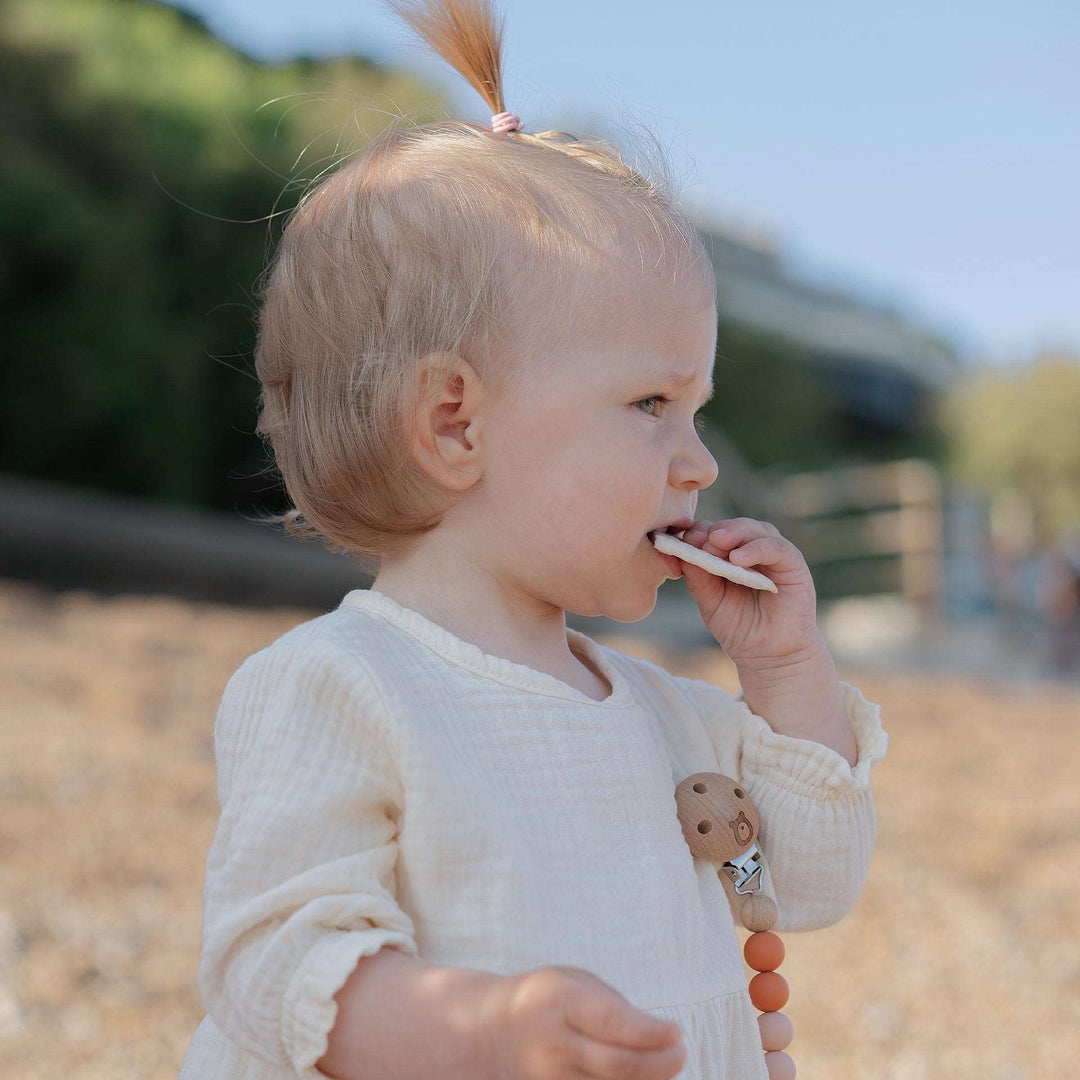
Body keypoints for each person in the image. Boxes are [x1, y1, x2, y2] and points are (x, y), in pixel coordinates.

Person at [178, 1, 889, 1077]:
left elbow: (806, 885)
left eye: (696, 409)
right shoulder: (341, 687)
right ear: (456, 423)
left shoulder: (673, 721)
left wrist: (786, 671)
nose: (698, 463)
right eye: (652, 402)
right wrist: (481, 1031)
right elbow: (269, 958)